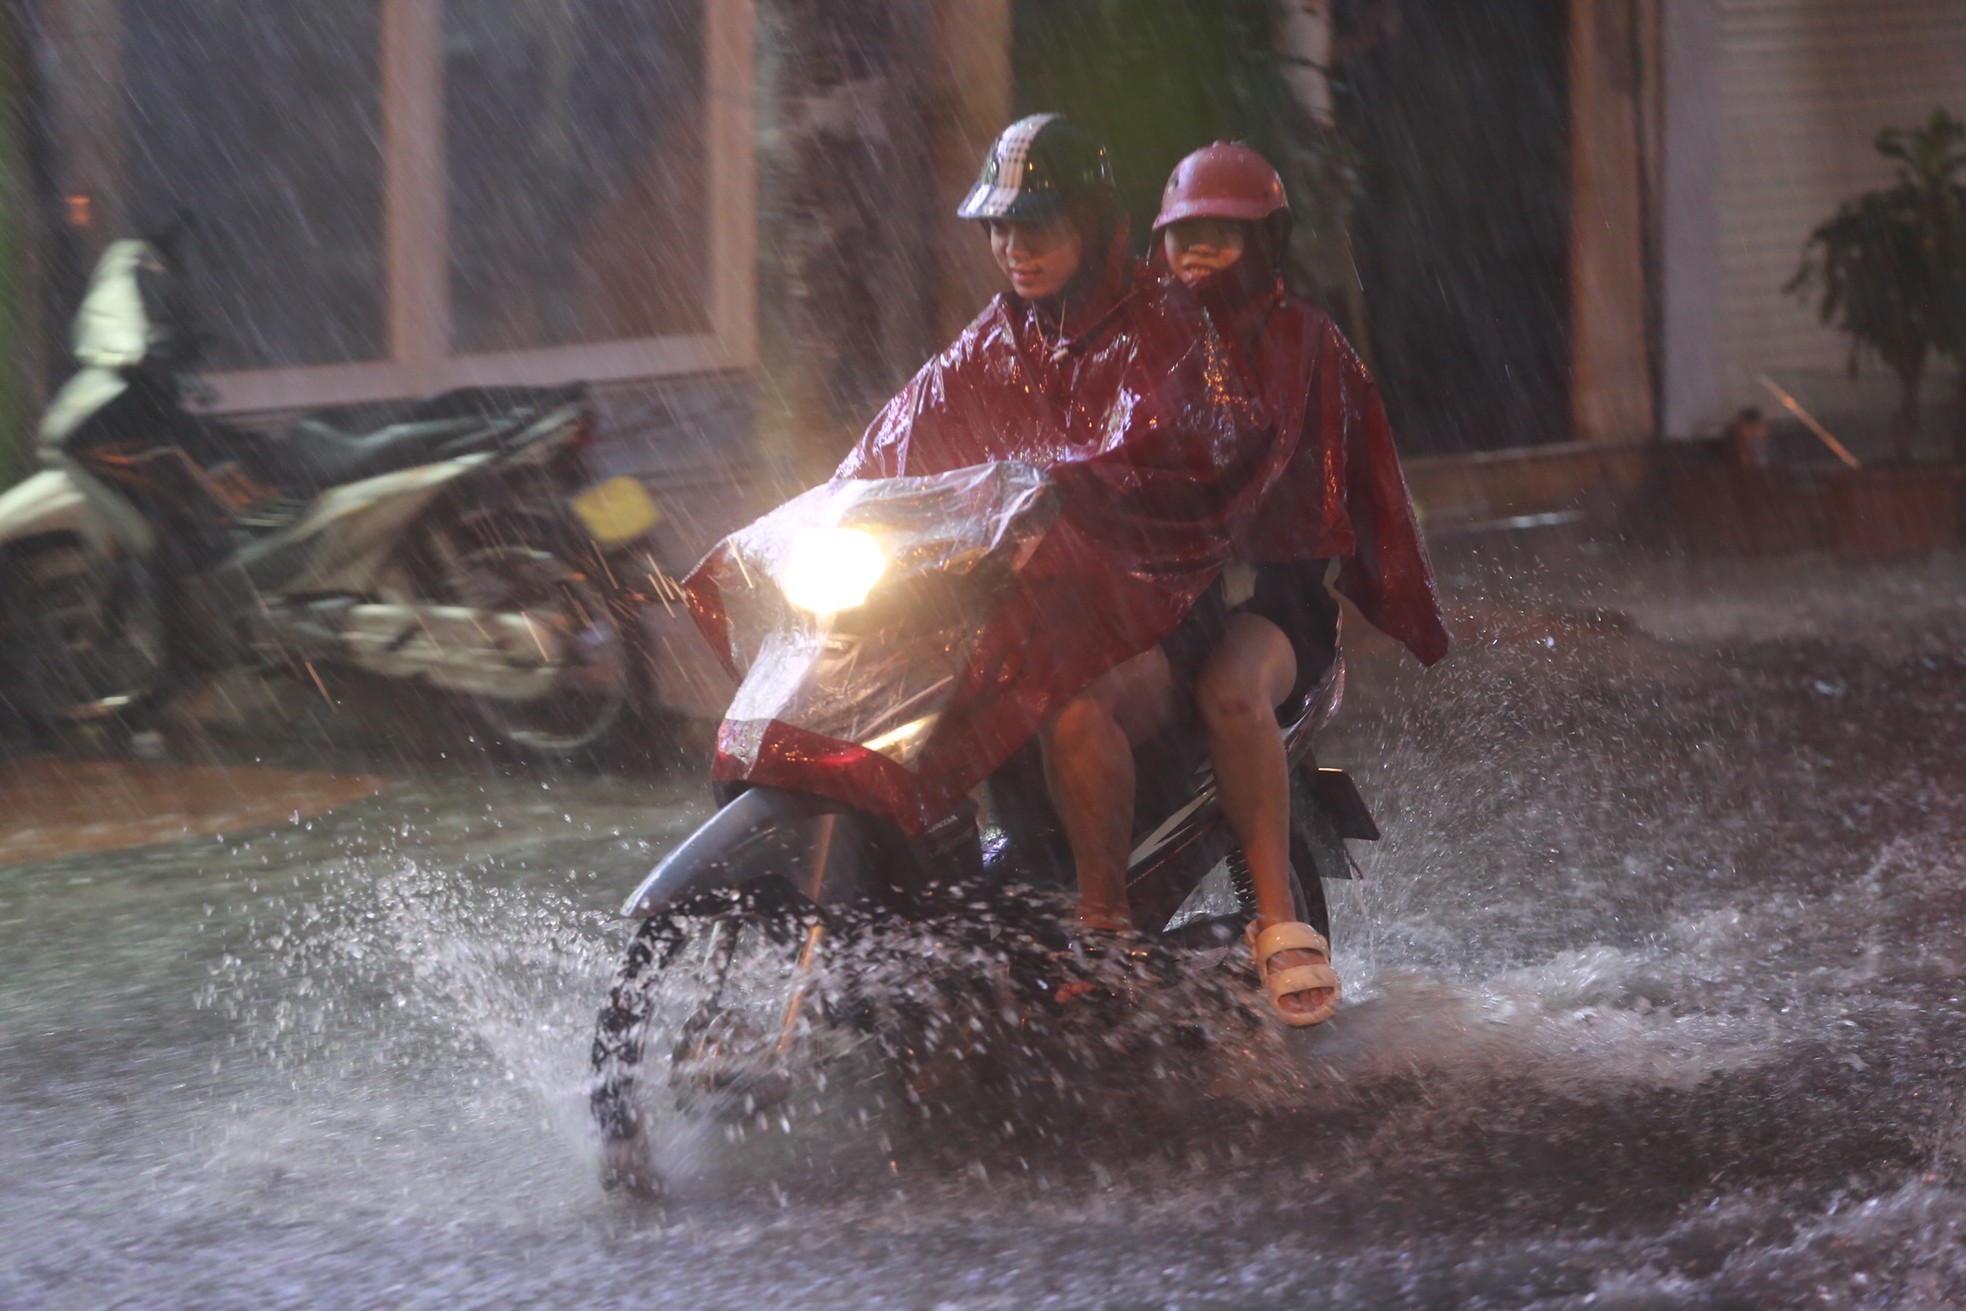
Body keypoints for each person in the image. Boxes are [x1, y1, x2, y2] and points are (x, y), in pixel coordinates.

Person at [1068, 140, 1448, 1026]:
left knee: (1233, 691)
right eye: (1184, 234)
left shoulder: (1305, 342)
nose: (1198, 251)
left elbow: (1328, 483)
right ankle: (1099, 926)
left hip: (1273, 604)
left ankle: (1278, 918)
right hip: (1166, 604)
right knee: (1065, 700)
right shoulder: (1131, 340)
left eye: (1222, 233)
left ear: (1267, 241)